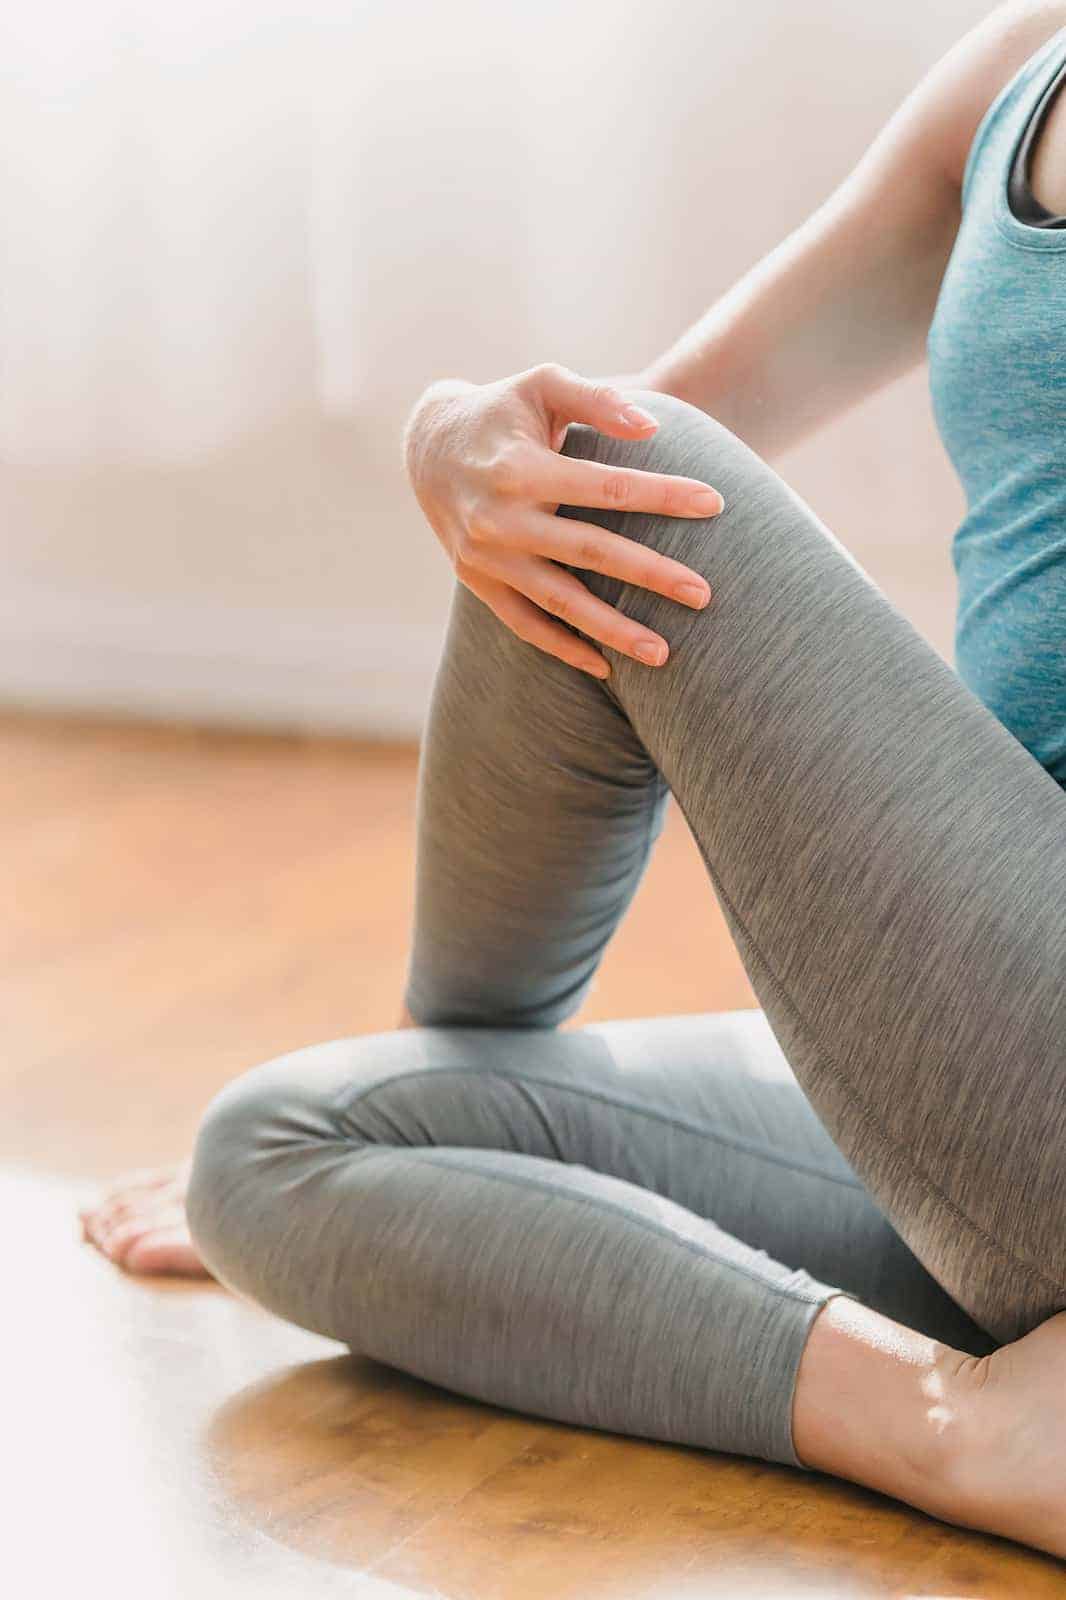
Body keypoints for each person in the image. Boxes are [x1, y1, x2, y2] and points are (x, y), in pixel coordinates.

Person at [81, 0, 1066, 1559]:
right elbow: (615, 449)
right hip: (1003, 1077)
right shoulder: (1022, 67)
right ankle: (958, 1416)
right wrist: (456, 441)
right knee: (274, 1152)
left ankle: (945, 1425)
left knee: (619, 506)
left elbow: (648, 487)